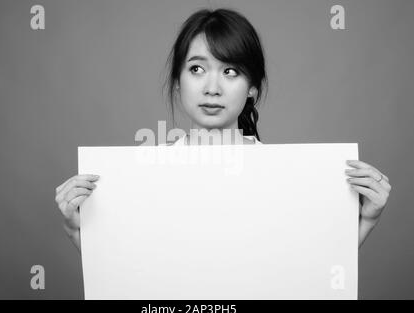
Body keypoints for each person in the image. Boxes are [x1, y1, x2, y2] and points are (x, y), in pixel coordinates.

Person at [54, 8, 391, 252]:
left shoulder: (287, 177)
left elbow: (307, 272)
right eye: (197, 68)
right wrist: (77, 231)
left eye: (230, 71)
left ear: (252, 89)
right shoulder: (142, 178)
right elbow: (134, 274)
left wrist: (365, 221)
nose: (212, 87)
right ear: (177, 83)